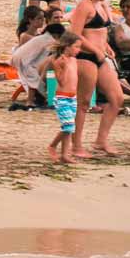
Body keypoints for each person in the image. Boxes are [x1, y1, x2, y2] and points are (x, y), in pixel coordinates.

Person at [43, 31, 82, 165]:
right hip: (62, 98)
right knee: (68, 127)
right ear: (67, 46)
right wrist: (64, 68)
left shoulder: (74, 60)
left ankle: (65, 155)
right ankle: (52, 145)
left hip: (73, 97)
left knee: (70, 127)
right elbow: (61, 82)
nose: (79, 50)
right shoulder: (59, 60)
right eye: (76, 47)